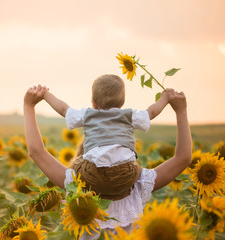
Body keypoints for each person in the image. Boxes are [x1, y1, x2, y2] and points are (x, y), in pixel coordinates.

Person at [23, 83, 191, 238]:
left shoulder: (76, 183)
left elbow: (36, 152)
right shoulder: (138, 184)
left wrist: (29, 106)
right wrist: (181, 111)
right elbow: (182, 158)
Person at [42, 74, 170, 200]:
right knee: (136, 166)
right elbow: (151, 112)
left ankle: (75, 197)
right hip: (126, 176)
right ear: (122, 102)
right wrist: (165, 98)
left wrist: (46, 95)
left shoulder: (88, 115)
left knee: (76, 163)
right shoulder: (129, 116)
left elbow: (64, 110)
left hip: (94, 174)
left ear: (93, 102)